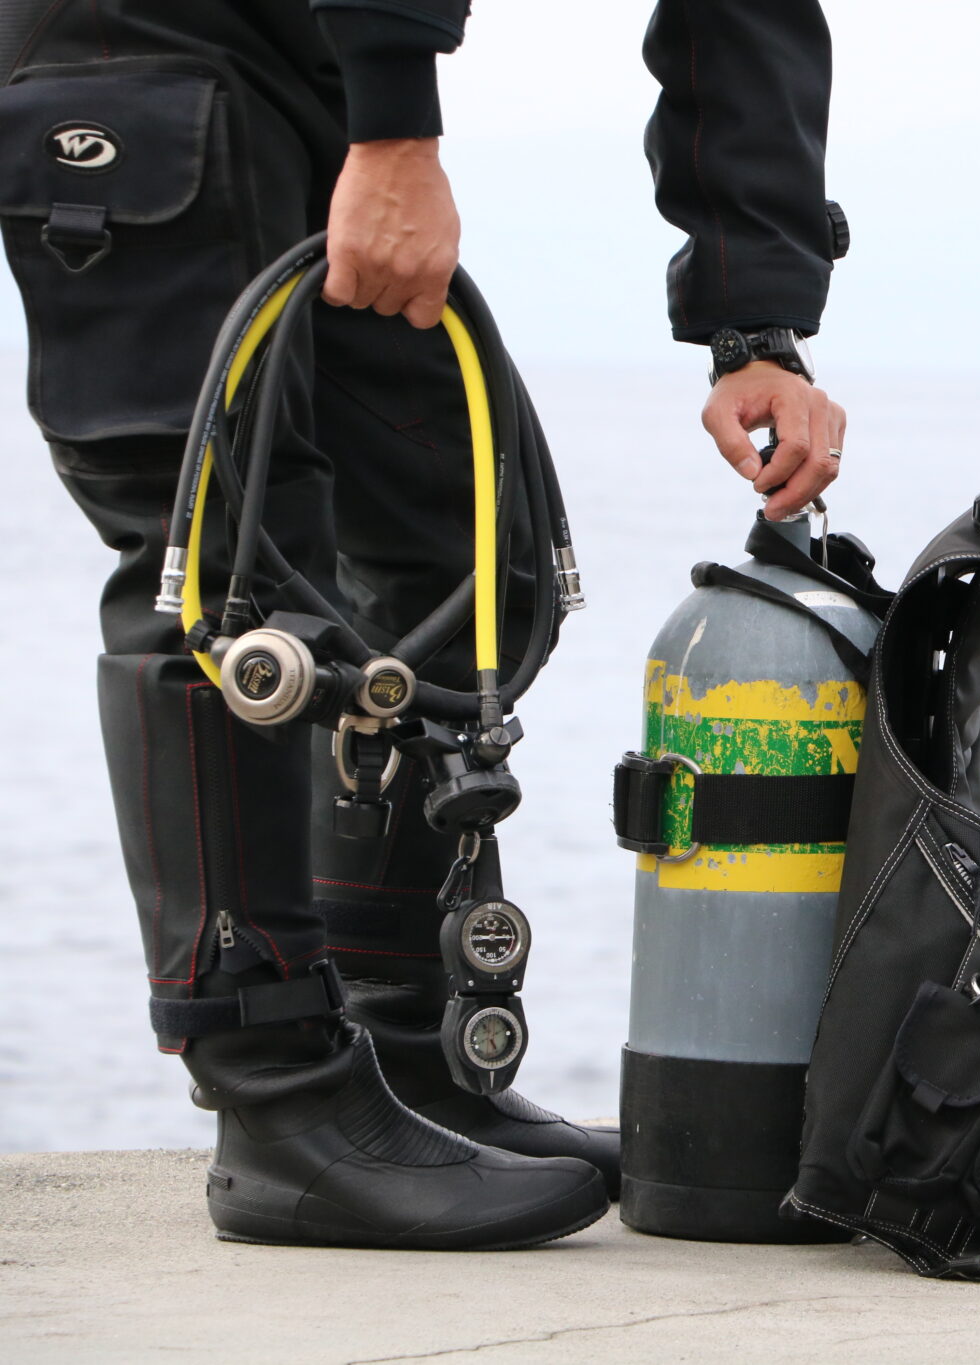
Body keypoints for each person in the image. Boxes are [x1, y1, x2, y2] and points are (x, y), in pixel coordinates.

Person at [0, 0, 846, 1249]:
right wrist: (398, 129)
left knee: (469, 558)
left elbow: (739, 19)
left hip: (320, 69)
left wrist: (756, 327)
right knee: (222, 568)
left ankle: (400, 1056)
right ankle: (278, 1096)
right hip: (141, 43)